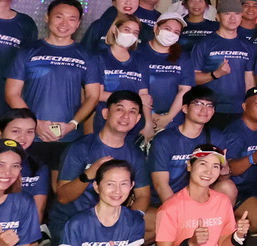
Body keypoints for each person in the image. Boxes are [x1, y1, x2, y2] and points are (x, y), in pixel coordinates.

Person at [6, 0, 95, 166]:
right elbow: (12, 94)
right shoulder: (27, 51)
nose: (64, 23)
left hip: (69, 136)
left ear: (78, 24)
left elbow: (92, 96)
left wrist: (72, 125)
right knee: (27, 179)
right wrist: (35, 124)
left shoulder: (88, 56)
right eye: (59, 16)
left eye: (72, 19)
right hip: (30, 136)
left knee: (62, 182)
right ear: (47, 18)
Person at [55, 90, 153, 228]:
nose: (125, 116)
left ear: (137, 119)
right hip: (74, 221)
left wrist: (130, 219)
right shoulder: (80, 147)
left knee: (158, 219)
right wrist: (88, 175)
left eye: (132, 111)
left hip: (113, 217)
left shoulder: (135, 154)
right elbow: (63, 197)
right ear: (106, 113)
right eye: (119, 109)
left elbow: (143, 195)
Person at [217, 86, 257, 234]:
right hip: (236, 189)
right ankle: (226, 227)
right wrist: (252, 158)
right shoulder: (234, 132)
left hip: (255, 185)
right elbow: (230, 169)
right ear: (245, 107)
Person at [188, 6, 257, 129]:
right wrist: (215, 74)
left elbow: (249, 80)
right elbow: (192, 78)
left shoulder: (248, 46)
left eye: (236, 13)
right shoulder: (204, 44)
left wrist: (249, 105)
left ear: (241, 17)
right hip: (209, 108)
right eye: (227, 13)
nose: (232, 18)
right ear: (218, 17)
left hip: (238, 109)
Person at [148, 87, 216, 209]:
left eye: (209, 106)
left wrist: (225, 169)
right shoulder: (164, 140)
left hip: (195, 198)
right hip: (162, 201)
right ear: (185, 108)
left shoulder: (215, 137)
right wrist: (181, 213)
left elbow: (220, 176)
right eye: (198, 104)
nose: (204, 110)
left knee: (227, 186)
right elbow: (161, 185)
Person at [89, 14, 152, 131]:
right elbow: (97, 94)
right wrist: (135, 98)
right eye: (127, 30)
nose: (131, 35)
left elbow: (145, 97)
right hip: (106, 122)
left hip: (134, 123)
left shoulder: (141, 60)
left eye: (135, 32)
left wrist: (148, 124)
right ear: (115, 29)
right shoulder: (98, 58)